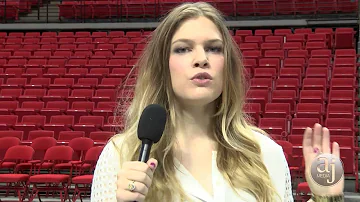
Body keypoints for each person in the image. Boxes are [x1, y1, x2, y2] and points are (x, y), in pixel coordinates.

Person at [91, 2, 344, 202]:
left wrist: (326, 198)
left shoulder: (265, 152)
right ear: (162, 66)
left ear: (227, 65)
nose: (201, 59)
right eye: (183, 49)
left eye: (214, 48)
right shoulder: (121, 155)